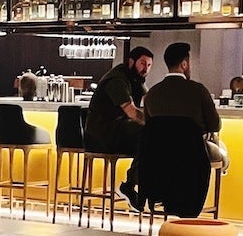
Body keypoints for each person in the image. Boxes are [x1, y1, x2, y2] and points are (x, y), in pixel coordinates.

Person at [85, 46, 153, 209]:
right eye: (143, 63)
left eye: (149, 65)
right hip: (103, 133)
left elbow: (149, 98)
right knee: (150, 136)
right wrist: (154, 124)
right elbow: (130, 111)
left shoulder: (135, 79)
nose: (146, 68)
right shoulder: (117, 79)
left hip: (119, 129)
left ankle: (146, 187)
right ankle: (130, 186)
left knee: (154, 139)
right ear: (131, 62)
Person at [144, 41, 226, 171]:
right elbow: (215, 125)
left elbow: (149, 126)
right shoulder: (198, 90)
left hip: (160, 154)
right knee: (222, 152)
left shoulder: (152, 93)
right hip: (193, 153)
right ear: (184, 64)